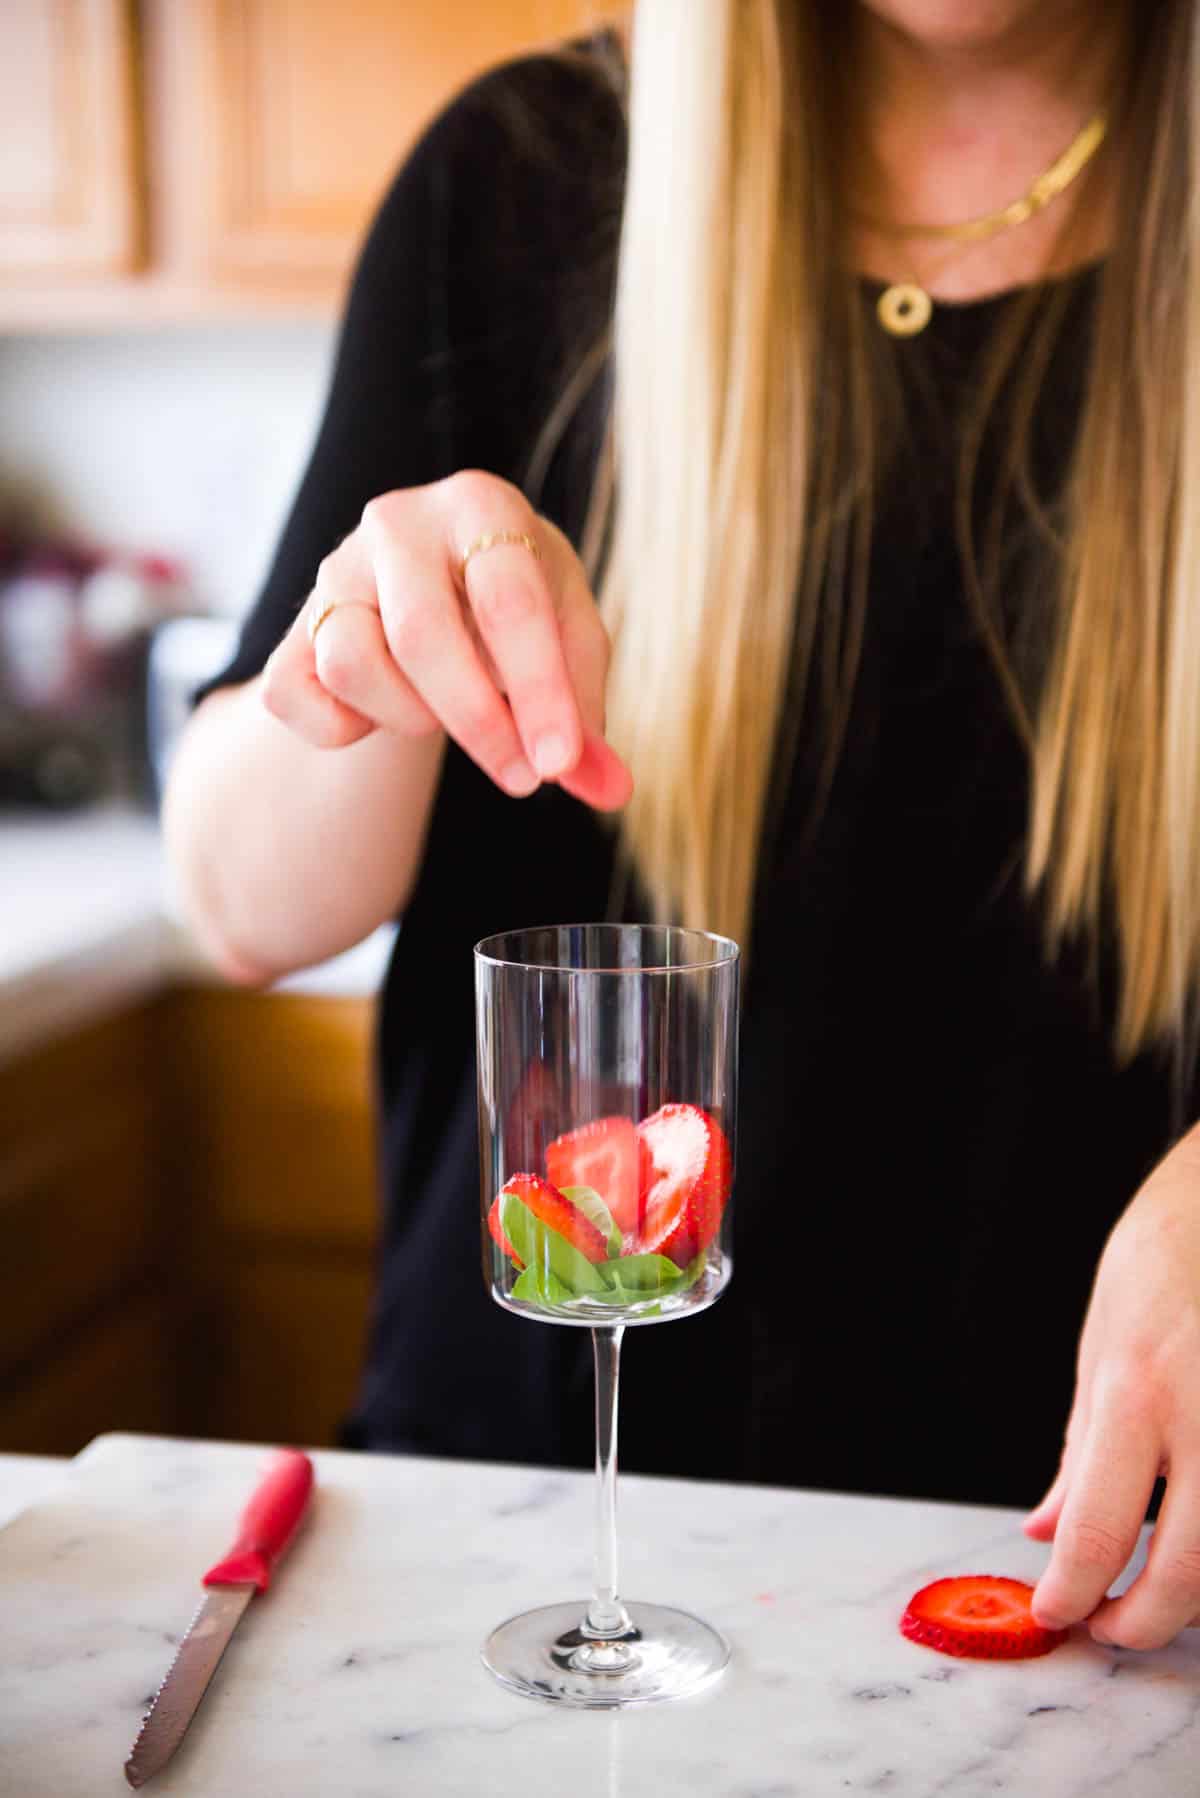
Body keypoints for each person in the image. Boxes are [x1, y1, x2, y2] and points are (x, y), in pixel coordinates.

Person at [164, 0, 1200, 1653]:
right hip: (503, 1561)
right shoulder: (509, 181)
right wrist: (366, 662)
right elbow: (241, 908)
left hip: (1070, 1583)